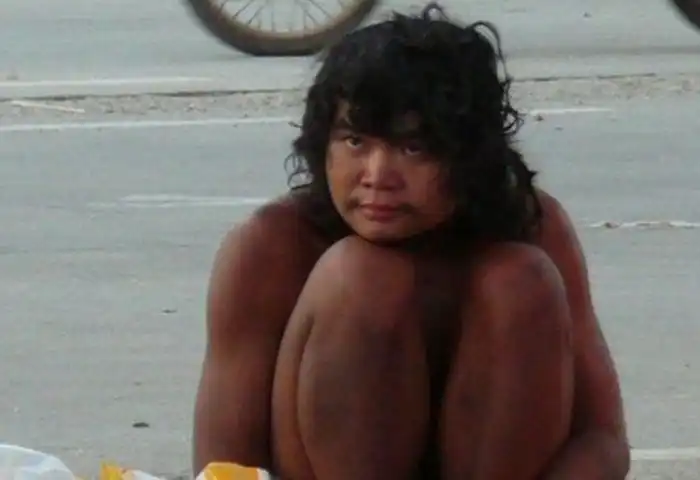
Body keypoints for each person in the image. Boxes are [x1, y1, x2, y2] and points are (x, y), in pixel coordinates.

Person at [192, 3, 630, 479]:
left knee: (520, 278)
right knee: (362, 276)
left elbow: (602, 439)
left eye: (413, 148)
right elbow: (224, 465)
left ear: (468, 157)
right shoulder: (272, 246)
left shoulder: (530, 226)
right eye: (355, 142)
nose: (378, 176)